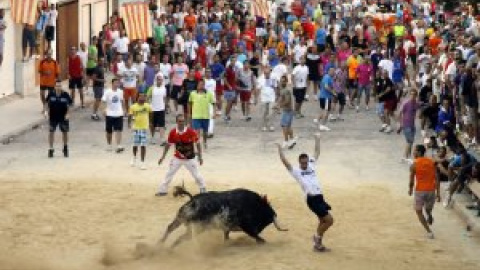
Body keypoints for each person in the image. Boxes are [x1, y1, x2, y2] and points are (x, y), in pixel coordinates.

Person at [275, 134, 334, 252]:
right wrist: (280, 150)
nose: (305, 165)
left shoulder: (311, 165)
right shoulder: (296, 171)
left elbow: (317, 152)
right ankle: (316, 238)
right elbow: (284, 162)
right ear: (299, 162)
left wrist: (317, 139)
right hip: (312, 199)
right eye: (302, 163)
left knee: (323, 221)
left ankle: (318, 245)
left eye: (306, 162)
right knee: (329, 220)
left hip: (320, 197)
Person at [155, 114, 207, 196]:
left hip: (189, 158)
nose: (181, 123)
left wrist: (200, 157)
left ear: (185, 122)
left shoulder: (190, 132)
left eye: (183, 121)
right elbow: (168, 145)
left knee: (196, 174)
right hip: (177, 158)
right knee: (169, 173)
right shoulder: (173, 132)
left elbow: (197, 143)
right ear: (176, 122)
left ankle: (203, 188)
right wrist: (163, 157)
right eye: (180, 121)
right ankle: (163, 190)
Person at [409, 144, 441, 239]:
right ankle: (429, 215)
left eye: (414, 150)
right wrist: (438, 193)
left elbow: (411, 180)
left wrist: (410, 189)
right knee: (428, 209)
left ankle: (429, 231)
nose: (413, 152)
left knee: (418, 211)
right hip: (431, 190)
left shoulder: (414, 165)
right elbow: (437, 178)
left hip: (420, 191)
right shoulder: (431, 162)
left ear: (419, 152)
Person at [46, 81, 72, 158]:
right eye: (57, 86)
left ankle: (65, 147)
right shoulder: (51, 94)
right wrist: (46, 112)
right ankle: (51, 148)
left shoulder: (65, 95)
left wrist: (68, 114)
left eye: (60, 86)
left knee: (65, 132)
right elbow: (47, 104)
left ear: (62, 87)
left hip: (63, 117)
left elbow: (69, 105)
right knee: (51, 132)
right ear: (54, 87)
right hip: (53, 117)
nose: (58, 87)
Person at [189, 79, 216, 148]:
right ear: (197, 85)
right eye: (200, 84)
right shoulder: (193, 93)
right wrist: (190, 113)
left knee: (205, 132)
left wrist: (214, 113)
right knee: (197, 131)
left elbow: (213, 104)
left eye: (202, 84)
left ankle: (205, 142)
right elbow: (190, 103)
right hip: (196, 116)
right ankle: (197, 145)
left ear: (204, 85)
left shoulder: (209, 93)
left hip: (205, 116)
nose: (201, 86)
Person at [128, 93, 152, 170]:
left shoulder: (147, 106)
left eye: (143, 96)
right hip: (136, 128)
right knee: (135, 145)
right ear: (137, 97)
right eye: (140, 96)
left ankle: (142, 162)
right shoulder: (133, 107)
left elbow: (151, 114)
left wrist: (151, 123)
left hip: (144, 128)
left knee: (143, 145)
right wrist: (129, 124)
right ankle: (134, 158)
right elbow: (130, 116)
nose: (142, 98)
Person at [101, 78, 125, 153]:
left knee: (118, 130)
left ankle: (118, 145)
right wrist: (103, 110)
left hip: (119, 113)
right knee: (109, 131)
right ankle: (109, 144)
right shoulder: (107, 92)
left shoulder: (120, 91)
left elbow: (122, 101)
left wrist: (124, 110)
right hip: (110, 113)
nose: (117, 84)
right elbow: (103, 101)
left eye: (118, 83)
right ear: (112, 83)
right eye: (115, 83)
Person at [399, 89, 420, 164]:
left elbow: (419, 109)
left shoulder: (416, 103)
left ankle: (407, 157)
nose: (412, 96)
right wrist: (400, 124)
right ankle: (405, 157)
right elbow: (400, 113)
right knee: (409, 141)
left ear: (416, 96)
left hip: (412, 125)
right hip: (406, 124)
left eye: (414, 94)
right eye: (411, 94)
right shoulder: (406, 103)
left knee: (410, 142)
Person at [147, 76, 168, 145]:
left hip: (161, 109)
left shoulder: (164, 88)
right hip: (153, 109)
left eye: (161, 80)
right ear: (156, 80)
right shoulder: (152, 88)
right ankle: (152, 137)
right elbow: (148, 97)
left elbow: (164, 98)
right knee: (153, 125)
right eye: (158, 80)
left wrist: (165, 106)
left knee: (162, 125)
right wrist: (149, 106)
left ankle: (162, 139)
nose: (160, 81)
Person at [278, 75, 297, 148]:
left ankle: (286, 141)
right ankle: (292, 140)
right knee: (288, 126)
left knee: (284, 126)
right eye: (281, 81)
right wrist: (278, 104)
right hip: (288, 110)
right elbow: (281, 99)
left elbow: (287, 100)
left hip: (288, 111)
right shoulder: (283, 89)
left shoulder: (286, 90)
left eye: (283, 81)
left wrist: (280, 106)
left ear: (286, 81)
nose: (282, 82)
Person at [316, 67, 336, 131]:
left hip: (323, 96)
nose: (334, 73)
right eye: (333, 71)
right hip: (326, 97)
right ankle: (323, 125)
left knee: (323, 110)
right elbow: (326, 87)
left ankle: (317, 120)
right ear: (329, 71)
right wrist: (333, 92)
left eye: (334, 71)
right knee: (326, 111)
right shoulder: (327, 77)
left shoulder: (327, 77)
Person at [258, 67, 278, 132]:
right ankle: (264, 125)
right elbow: (258, 88)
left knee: (271, 112)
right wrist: (256, 98)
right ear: (264, 73)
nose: (267, 75)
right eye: (266, 73)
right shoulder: (260, 79)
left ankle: (271, 125)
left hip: (272, 98)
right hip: (264, 98)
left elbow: (276, 87)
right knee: (264, 113)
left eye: (268, 73)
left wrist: (277, 96)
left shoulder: (273, 79)